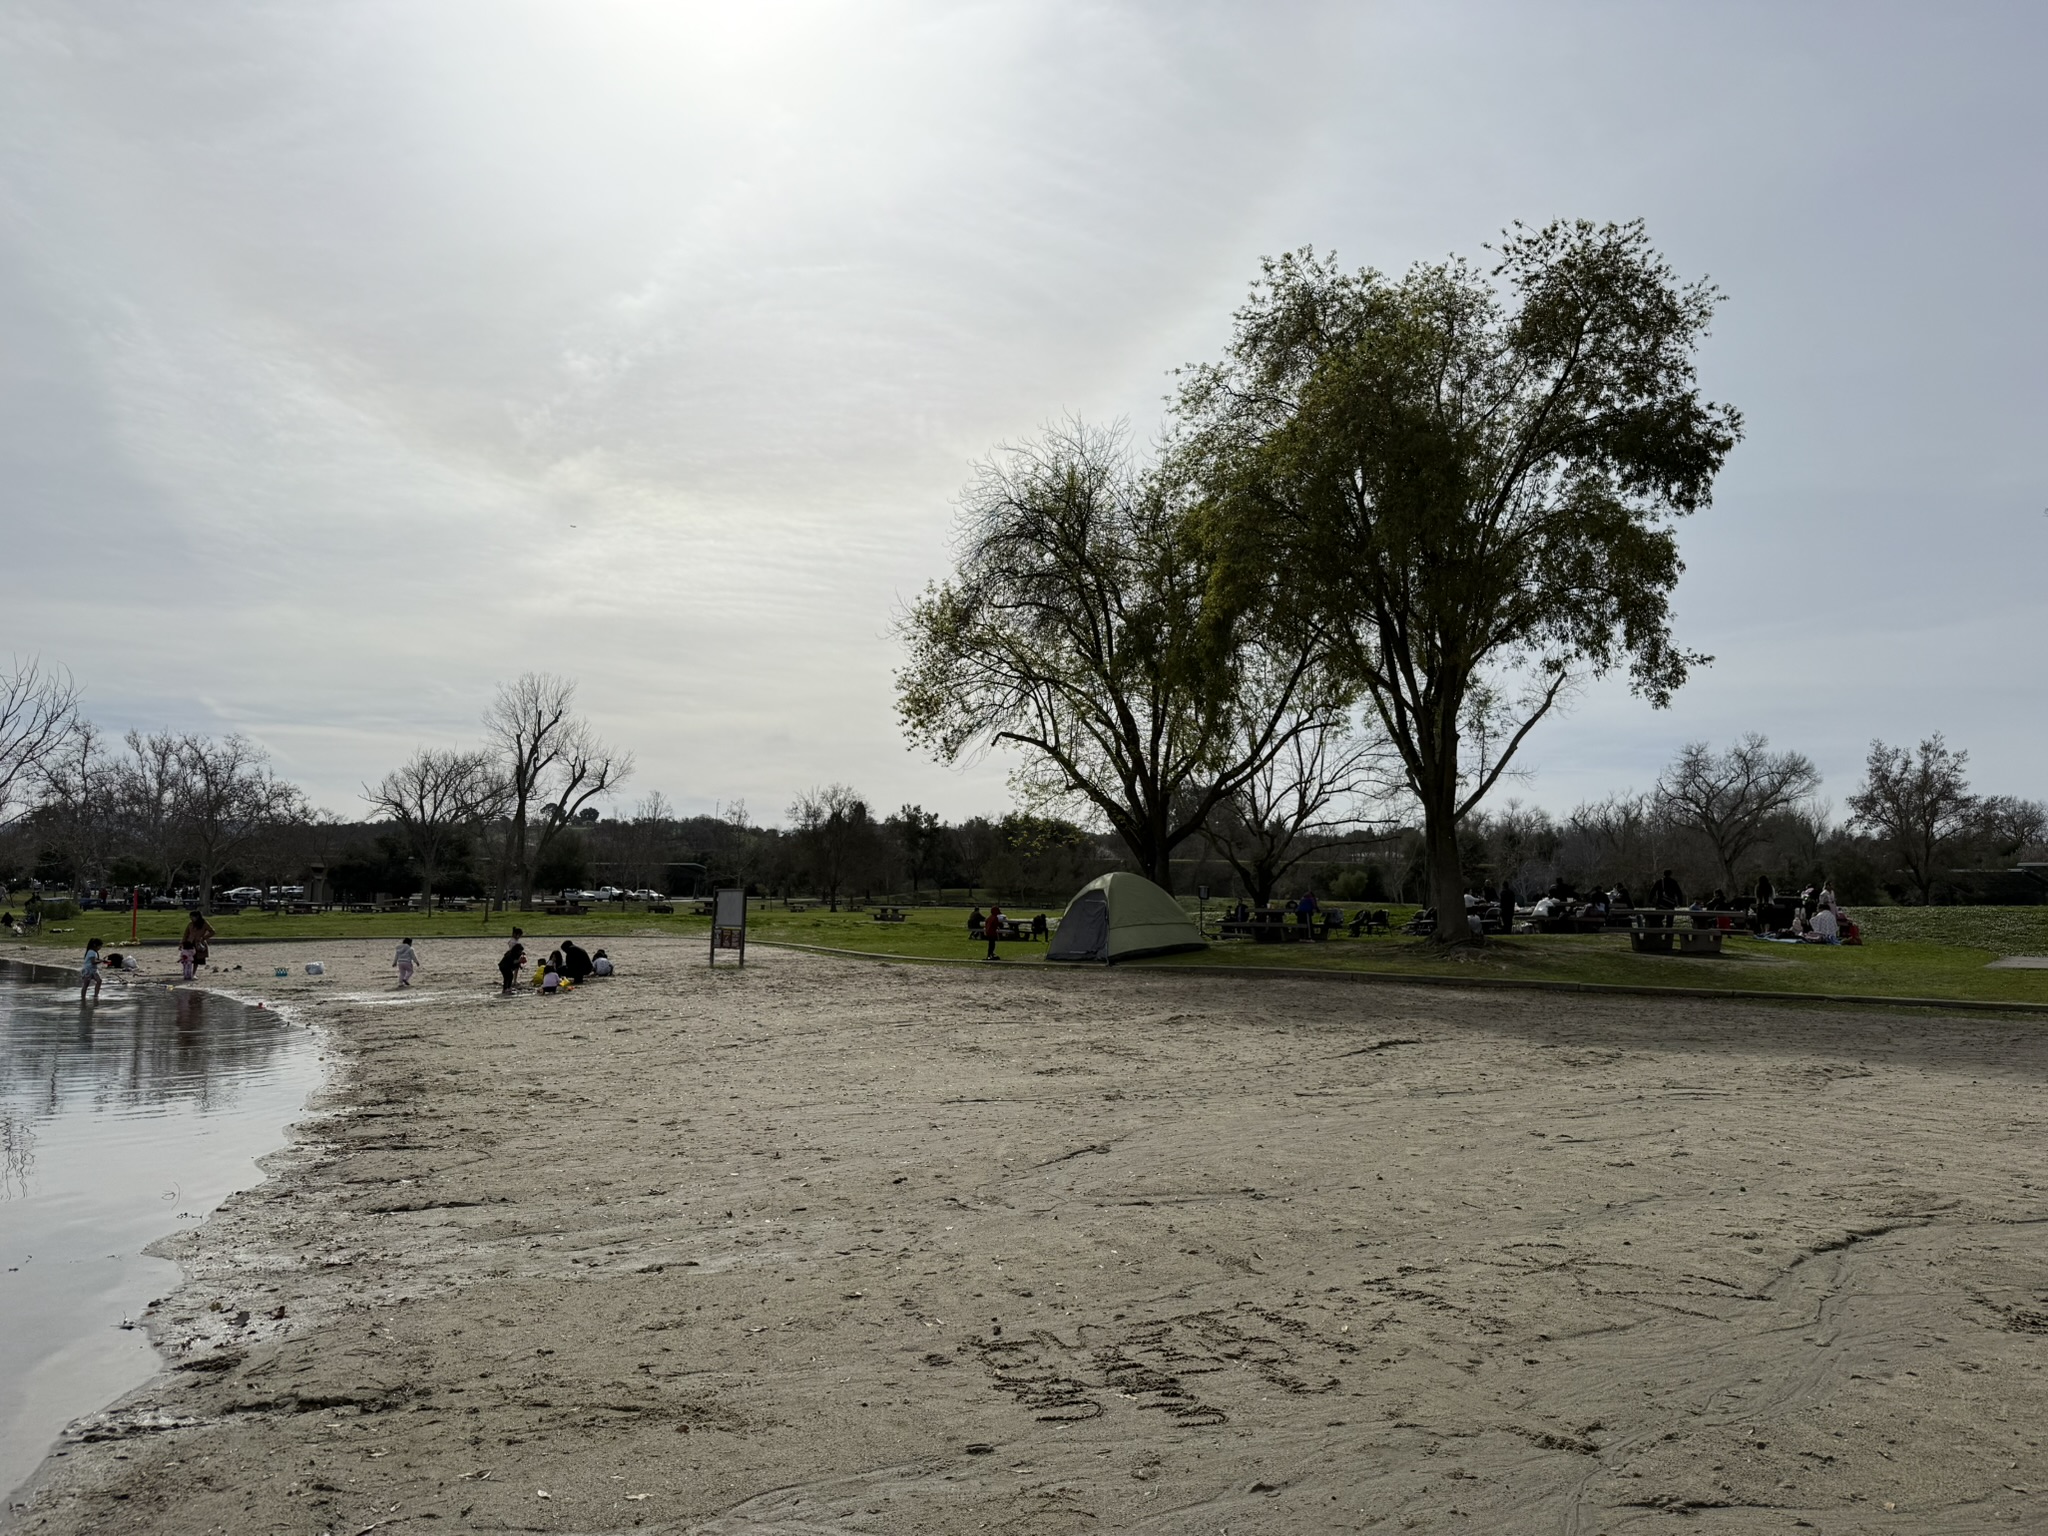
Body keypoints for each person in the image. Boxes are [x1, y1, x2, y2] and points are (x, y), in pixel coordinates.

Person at [179, 909, 216, 982]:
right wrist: (182, 943)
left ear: (197, 917)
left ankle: (193, 973)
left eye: (193, 917)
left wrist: (203, 938)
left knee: (196, 960)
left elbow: (212, 931)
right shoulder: (190, 924)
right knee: (187, 959)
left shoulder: (204, 923)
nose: (191, 919)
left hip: (198, 943)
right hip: (189, 943)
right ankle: (187, 973)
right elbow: (186, 934)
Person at [80, 937, 105, 1001]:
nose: (100, 948)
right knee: (86, 985)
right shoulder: (92, 952)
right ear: (95, 945)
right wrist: (101, 961)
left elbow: (95, 960)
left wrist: (102, 960)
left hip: (93, 970)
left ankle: (96, 995)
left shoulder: (93, 951)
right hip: (88, 970)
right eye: (100, 946)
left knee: (99, 981)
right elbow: (93, 962)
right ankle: (83, 998)